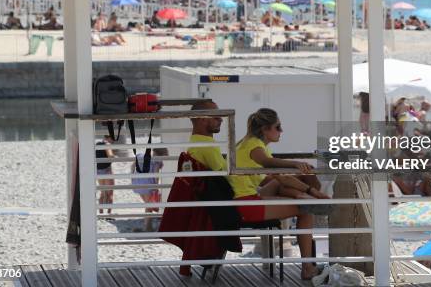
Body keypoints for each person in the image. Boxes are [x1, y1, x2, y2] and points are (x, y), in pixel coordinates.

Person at [186, 102, 322, 280]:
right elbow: (261, 167)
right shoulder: (214, 148)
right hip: (244, 204)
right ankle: (308, 268)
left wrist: (296, 187)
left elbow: (241, 178)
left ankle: (307, 200)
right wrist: (302, 182)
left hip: (241, 200)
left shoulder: (200, 145)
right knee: (306, 210)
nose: (220, 119)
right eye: (216, 116)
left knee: (290, 186)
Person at [132, 148, 167, 231]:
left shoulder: (140, 156)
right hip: (148, 185)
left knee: (148, 205)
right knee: (148, 206)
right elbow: (156, 174)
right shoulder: (157, 162)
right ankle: (147, 227)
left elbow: (132, 167)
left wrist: (133, 178)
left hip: (137, 183)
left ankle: (148, 226)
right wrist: (156, 187)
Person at [97, 136, 116, 216]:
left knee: (102, 192)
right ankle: (109, 213)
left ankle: (101, 212)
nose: (113, 141)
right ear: (109, 138)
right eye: (113, 139)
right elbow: (110, 155)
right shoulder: (107, 144)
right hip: (107, 170)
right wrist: (115, 157)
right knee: (110, 193)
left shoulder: (97, 144)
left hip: (98, 171)